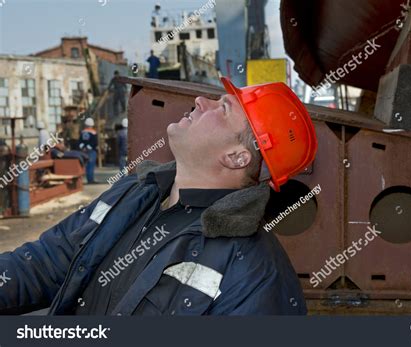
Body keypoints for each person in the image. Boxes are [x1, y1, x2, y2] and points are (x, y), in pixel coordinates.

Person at [0, 77, 317, 315]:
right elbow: (46, 261)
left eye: (223, 108)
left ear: (237, 156)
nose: (199, 101)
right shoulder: (131, 194)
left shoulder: (257, 274)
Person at [79, 117, 98, 184]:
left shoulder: (82, 132)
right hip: (91, 151)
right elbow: (95, 142)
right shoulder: (94, 133)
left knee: (87, 166)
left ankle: (88, 179)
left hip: (84, 151)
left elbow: (80, 142)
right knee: (91, 165)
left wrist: (83, 147)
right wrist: (88, 147)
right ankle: (90, 180)